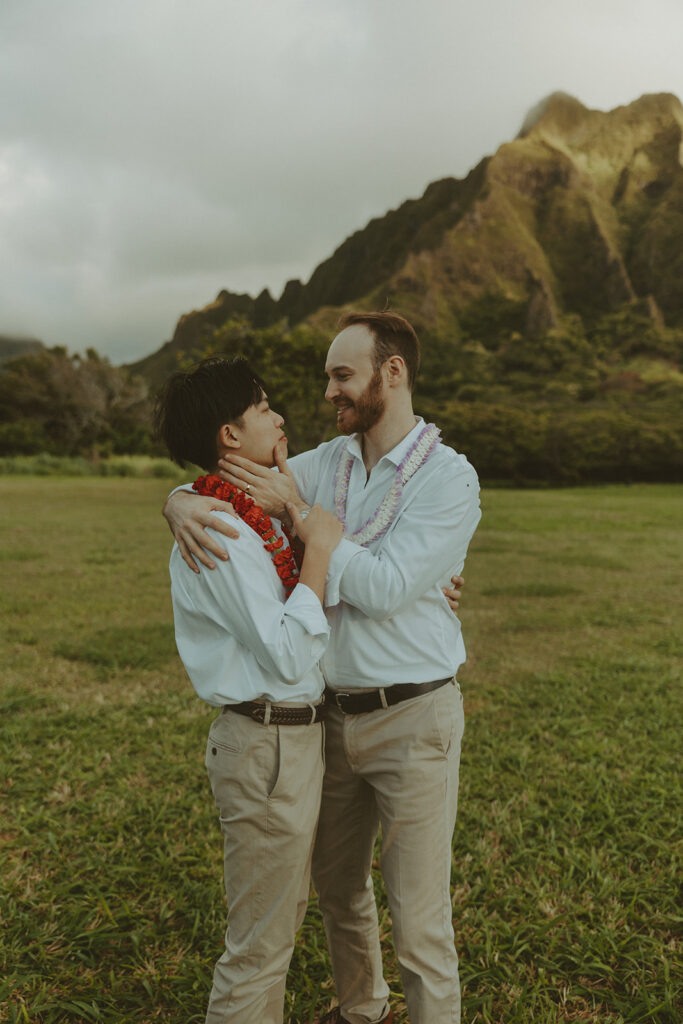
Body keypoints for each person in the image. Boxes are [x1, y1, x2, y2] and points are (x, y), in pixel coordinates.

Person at [164, 311, 481, 1024]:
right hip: (330, 718)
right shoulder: (322, 463)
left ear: (389, 373)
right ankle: (361, 1008)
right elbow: (224, 477)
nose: (329, 393)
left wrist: (309, 523)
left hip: (414, 715)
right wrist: (177, 503)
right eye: (327, 378)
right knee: (338, 890)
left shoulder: (448, 477)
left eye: (342, 376)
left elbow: (387, 588)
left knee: (420, 918)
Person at [154, 356, 344, 1024]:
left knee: (278, 928)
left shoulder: (247, 518)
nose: (279, 415)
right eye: (263, 406)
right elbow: (289, 646)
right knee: (258, 948)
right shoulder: (224, 531)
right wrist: (317, 547)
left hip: (289, 740)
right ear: (229, 435)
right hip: (267, 744)